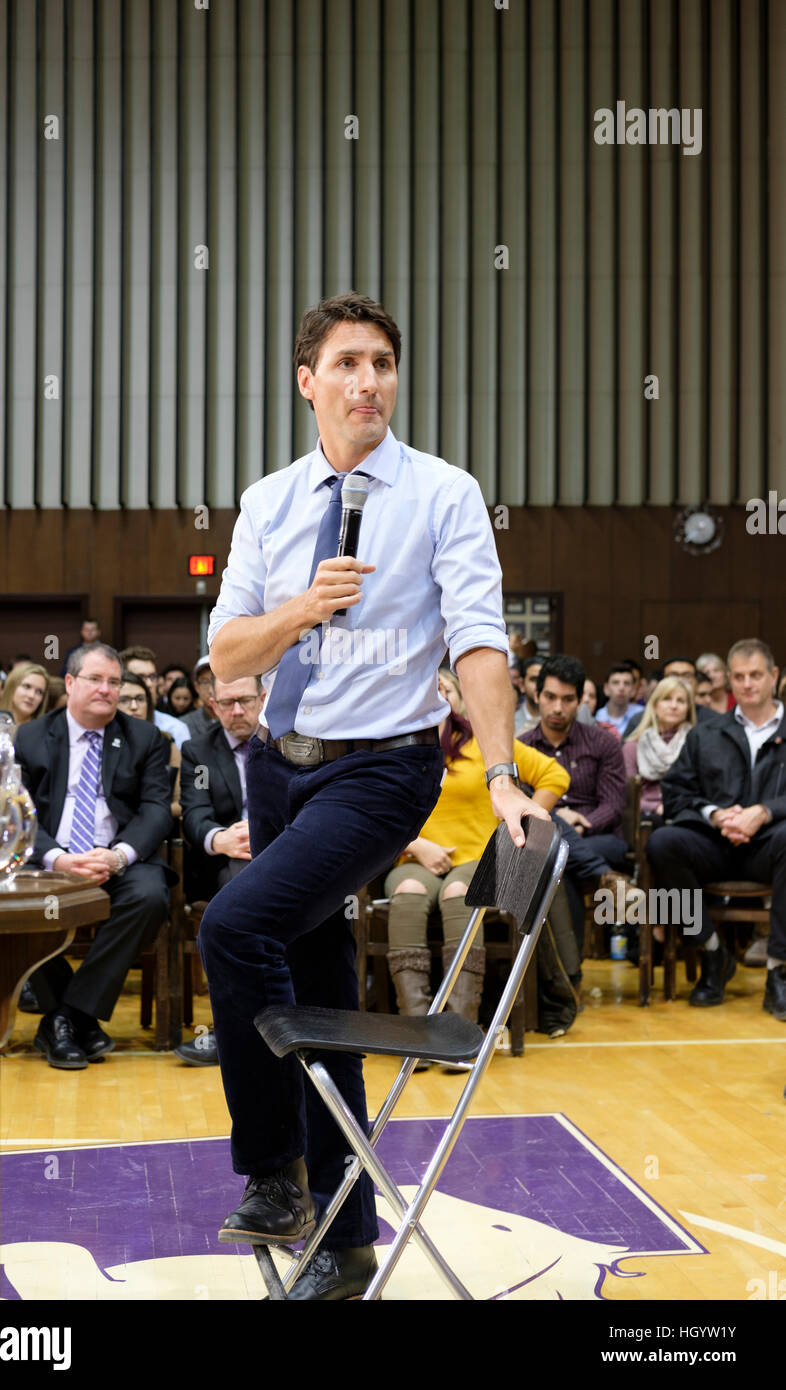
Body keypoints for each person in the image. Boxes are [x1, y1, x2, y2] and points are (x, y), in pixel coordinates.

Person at [198, 291, 549, 1301]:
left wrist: (497, 771)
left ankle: (273, 1175)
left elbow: (479, 639)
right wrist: (303, 608)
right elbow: (227, 654)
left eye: (382, 363)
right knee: (317, 994)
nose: (367, 382)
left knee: (233, 927)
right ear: (306, 381)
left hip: (381, 768)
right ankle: (348, 1244)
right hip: (278, 763)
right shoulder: (268, 502)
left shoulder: (442, 492)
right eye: (346, 363)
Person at [385, 677, 569, 1064]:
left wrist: (520, 821)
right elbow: (371, 810)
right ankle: (414, 1039)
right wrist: (417, 845)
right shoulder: (391, 744)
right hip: (413, 857)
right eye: (426, 686)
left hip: (477, 858)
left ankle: (458, 1035)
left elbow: (555, 775)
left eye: (445, 689)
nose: (435, 694)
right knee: (408, 895)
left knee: (458, 894)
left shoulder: (482, 745)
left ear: (458, 700)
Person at [14, 642, 174, 1068]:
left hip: (117, 861)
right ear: (70, 683)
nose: (107, 690)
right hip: (50, 860)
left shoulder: (144, 738)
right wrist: (57, 858)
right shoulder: (31, 738)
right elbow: (17, 813)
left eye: (114, 682)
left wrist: (118, 855)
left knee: (150, 895)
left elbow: (157, 809)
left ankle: (65, 1018)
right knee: (14, 900)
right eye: (95, 680)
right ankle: (75, 1018)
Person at [645, 639, 786, 1013]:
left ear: (773, 676)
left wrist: (764, 812)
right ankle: (711, 952)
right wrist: (716, 814)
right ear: (729, 680)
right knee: (663, 842)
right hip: (717, 844)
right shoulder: (706, 732)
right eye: (738, 676)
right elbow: (676, 792)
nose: (747, 683)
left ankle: (778, 971)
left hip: (771, 847)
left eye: (756, 675)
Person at [176, 673, 267, 1067]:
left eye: (245, 701)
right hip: (225, 861)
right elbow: (194, 813)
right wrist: (220, 838)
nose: (237, 711)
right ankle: (234, 1028)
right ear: (212, 706)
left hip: (283, 850)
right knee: (238, 892)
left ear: (263, 698)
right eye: (226, 703)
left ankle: (300, 1022)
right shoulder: (198, 751)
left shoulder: (287, 741)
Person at [520, 654, 639, 952]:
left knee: (560, 859)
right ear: (537, 696)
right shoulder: (522, 747)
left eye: (567, 699)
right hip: (547, 841)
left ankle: (567, 976)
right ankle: (605, 879)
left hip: (600, 837)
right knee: (560, 861)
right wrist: (562, 817)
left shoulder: (604, 743)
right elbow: (524, 807)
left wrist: (582, 824)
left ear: (580, 701)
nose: (558, 707)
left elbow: (613, 805)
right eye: (550, 697)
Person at [623, 677, 696, 823]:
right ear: (655, 705)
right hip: (647, 816)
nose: (674, 706)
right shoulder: (632, 747)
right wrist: (655, 807)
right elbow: (626, 796)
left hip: (685, 811)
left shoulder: (696, 745)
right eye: (667, 699)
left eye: (680, 701)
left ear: (688, 709)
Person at [117, 670, 181, 819]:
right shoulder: (99, 742)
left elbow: (182, 802)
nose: (134, 706)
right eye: (124, 700)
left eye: (140, 699)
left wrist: (149, 815)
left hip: (156, 827)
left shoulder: (166, 743)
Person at [119, 646, 191, 750]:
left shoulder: (174, 729)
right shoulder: (107, 727)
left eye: (152, 677)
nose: (149, 684)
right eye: (140, 677)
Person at [595, 663, 645, 738]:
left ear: (633, 690)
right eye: (616, 683)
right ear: (606, 689)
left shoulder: (643, 715)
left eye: (627, 683)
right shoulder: (597, 717)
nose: (621, 688)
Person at [0, 663, 50, 727]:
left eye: (39, 692)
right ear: (11, 687)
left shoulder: (43, 733)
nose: (31, 696)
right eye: (26, 687)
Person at [180, 657, 217, 738]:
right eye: (205, 682)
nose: (211, 689)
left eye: (216, 680)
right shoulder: (183, 725)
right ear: (197, 687)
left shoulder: (237, 719)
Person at [514, 657, 543, 735]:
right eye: (534, 680)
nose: (538, 685)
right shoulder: (509, 722)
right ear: (522, 685)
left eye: (543, 680)